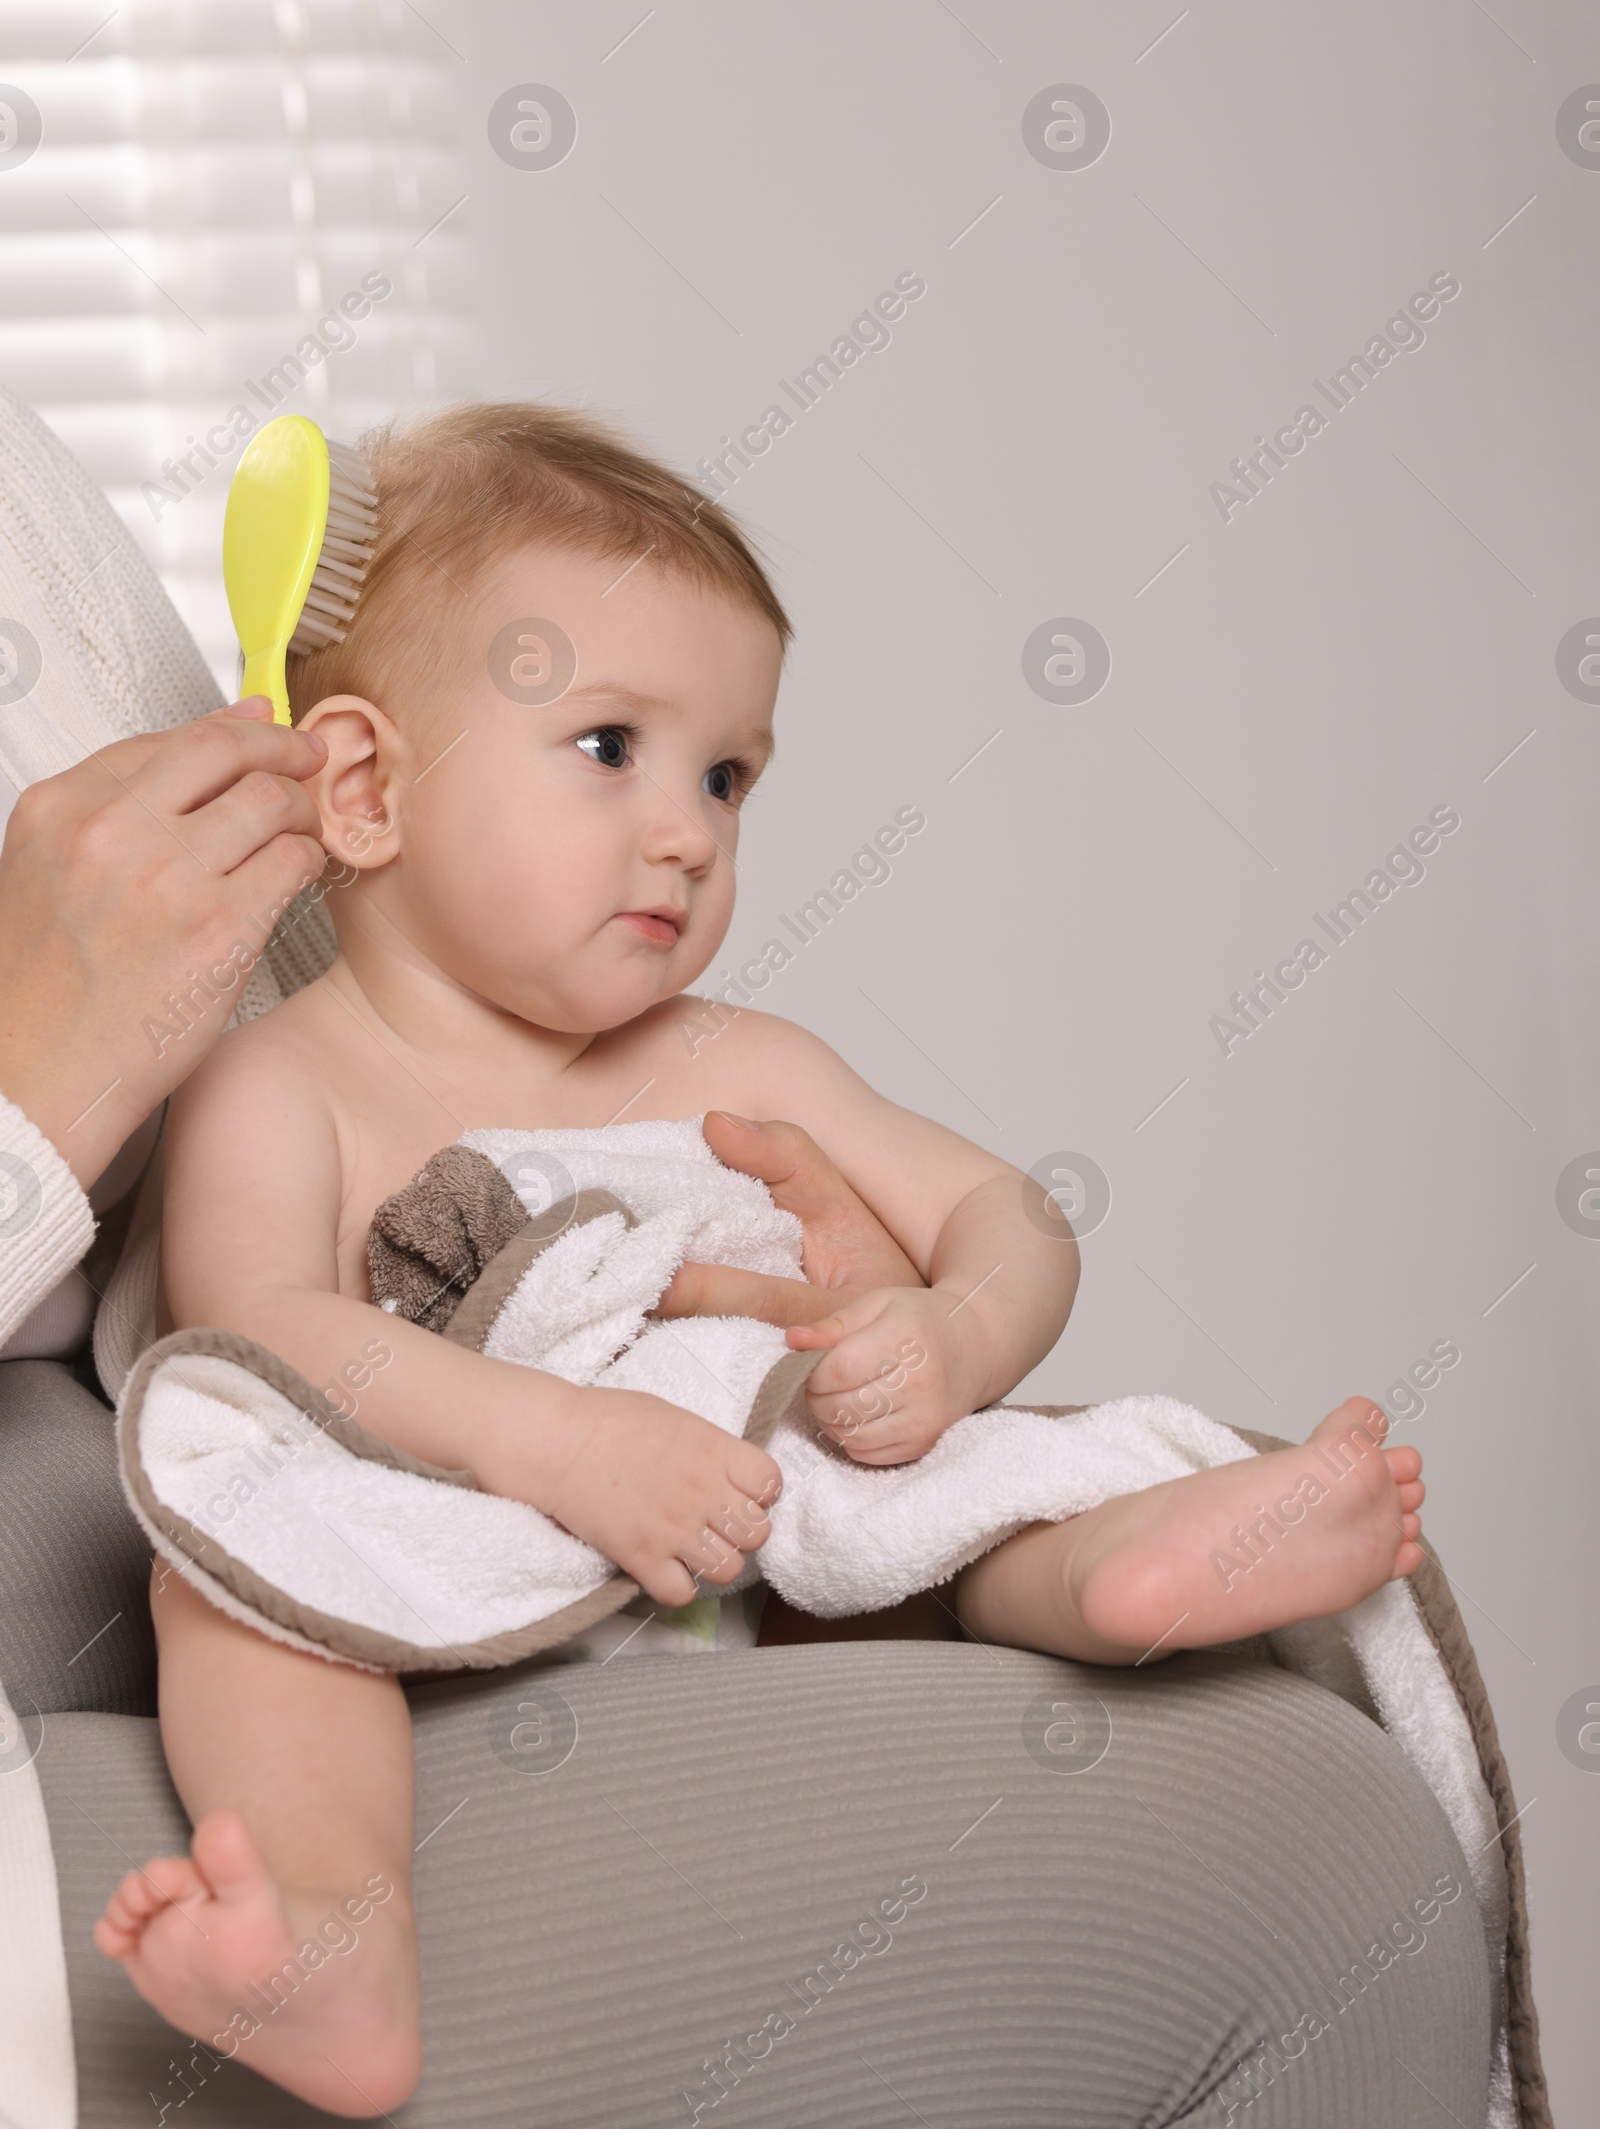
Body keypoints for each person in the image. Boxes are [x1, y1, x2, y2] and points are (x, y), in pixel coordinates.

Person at [0, 386, 1496, 2129]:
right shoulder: (285, 1077)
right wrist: (555, 1441)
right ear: (362, 786)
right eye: (612, 748)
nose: (691, 829)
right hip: (441, 1557)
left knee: (923, 1488)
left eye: (729, 773)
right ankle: (340, 1930)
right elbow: (256, 1339)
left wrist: (951, 1337)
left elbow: (1009, 1212)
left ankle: (1129, 1576)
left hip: (745, 1550)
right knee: (240, 1579)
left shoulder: (738, 1061)